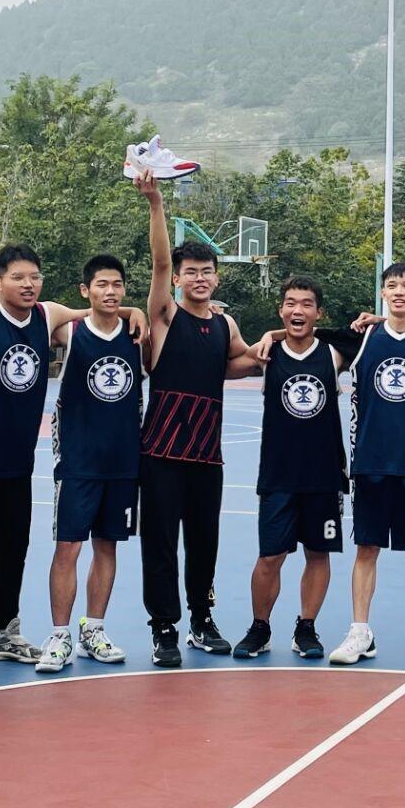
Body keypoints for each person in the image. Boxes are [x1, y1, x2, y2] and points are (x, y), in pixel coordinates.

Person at [0, 247, 145, 672]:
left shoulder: (48, 314)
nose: (28, 284)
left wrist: (134, 310)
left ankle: (5, 633)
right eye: (18, 277)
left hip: (19, 463)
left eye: (34, 276)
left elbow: (98, 308)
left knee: (12, 551)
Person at [134, 167, 255, 664]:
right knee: (160, 544)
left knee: (204, 544)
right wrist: (156, 203)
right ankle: (164, 626)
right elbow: (160, 260)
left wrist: (278, 341)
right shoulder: (165, 316)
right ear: (178, 280)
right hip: (162, 453)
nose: (199, 278)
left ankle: (201, 620)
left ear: (217, 277)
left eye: (207, 272)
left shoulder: (226, 325)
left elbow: (248, 361)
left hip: (207, 455)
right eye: (191, 272)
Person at [327, 263, 405, 668]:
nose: (399, 291)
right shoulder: (362, 338)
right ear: (382, 293)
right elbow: (304, 335)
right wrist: (270, 336)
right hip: (370, 464)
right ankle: (360, 632)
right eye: (391, 285)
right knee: (366, 550)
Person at [40, 253, 144, 672]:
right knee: (68, 547)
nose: (111, 291)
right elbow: (32, 313)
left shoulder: (138, 335)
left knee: (107, 545)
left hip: (122, 461)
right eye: (102, 284)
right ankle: (59, 635)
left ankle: (94, 629)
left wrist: (135, 312)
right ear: (85, 290)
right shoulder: (69, 332)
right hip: (77, 460)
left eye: (117, 284)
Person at [235, 277, 348, 660]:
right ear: (281, 309)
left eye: (306, 304)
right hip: (278, 475)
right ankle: (260, 628)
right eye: (290, 303)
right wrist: (267, 336)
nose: (297, 310)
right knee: (270, 556)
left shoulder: (333, 354)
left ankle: (306, 627)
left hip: (323, 474)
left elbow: (383, 332)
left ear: (319, 313)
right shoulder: (266, 354)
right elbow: (221, 364)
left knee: (318, 553)